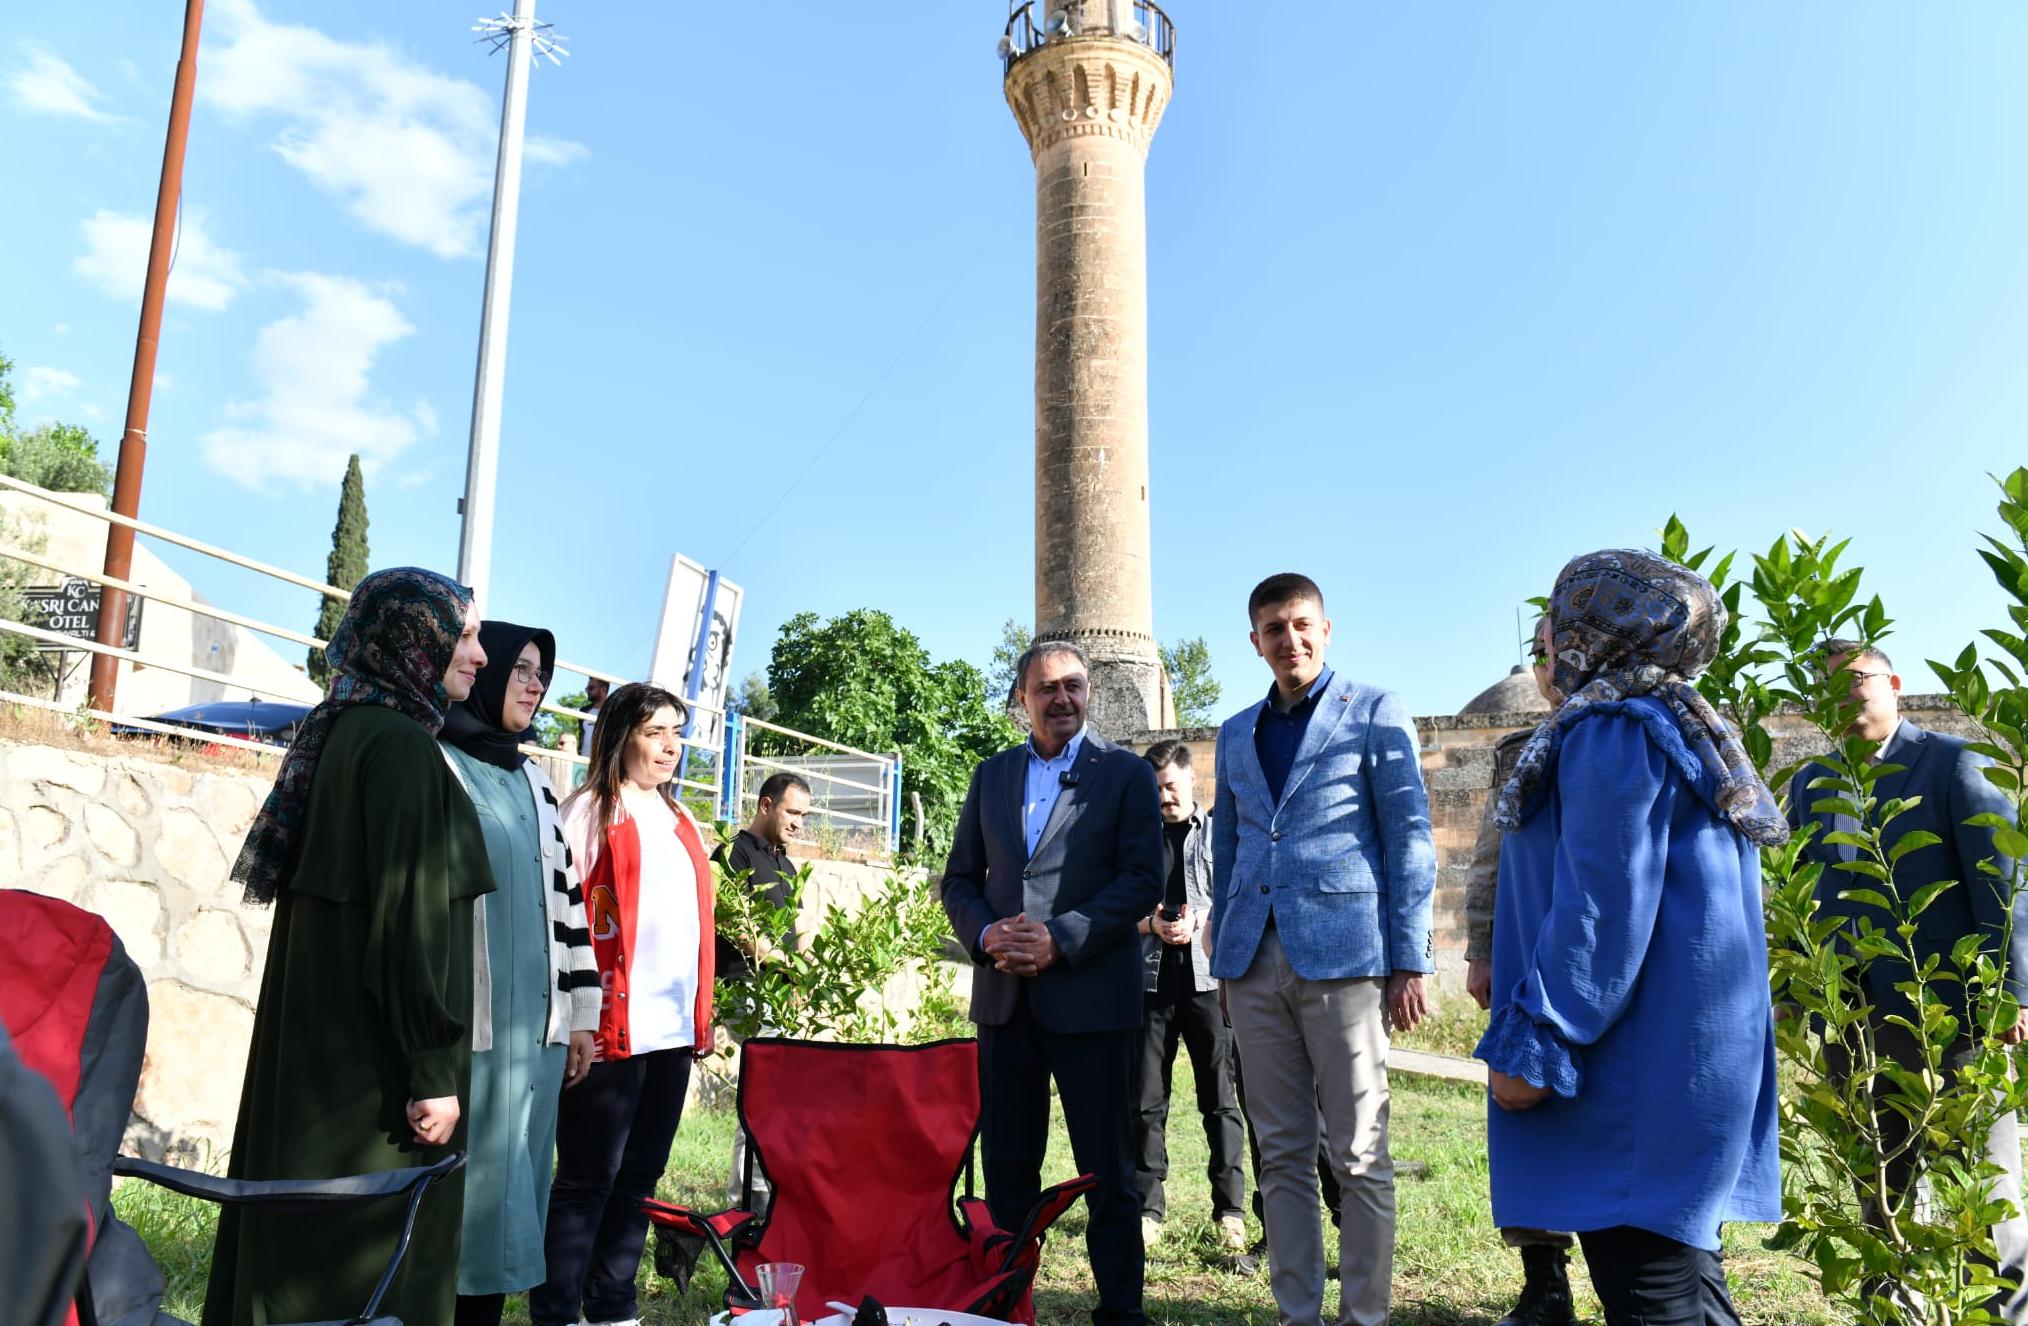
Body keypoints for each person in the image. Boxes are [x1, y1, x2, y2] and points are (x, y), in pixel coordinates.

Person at [1475, 549, 1785, 1326]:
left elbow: (1601, 912)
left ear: (1598, 634)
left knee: (1655, 1299)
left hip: (1628, 1078)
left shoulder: (1613, 730)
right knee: (1683, 1288)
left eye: (1560, 617)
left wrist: (1536, 1045)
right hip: (1669, 1064)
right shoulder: (1674, 723)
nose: (1544, 635)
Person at [204, 568, 493, 1326]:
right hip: (375, 1075)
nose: (480, 654)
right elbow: (409, 923)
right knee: (370, 1262)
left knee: (302, 1245)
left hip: (326, 1062)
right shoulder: (397, 749)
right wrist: (432, 1068)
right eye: (461, 634)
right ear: (412, 641)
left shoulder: (345, 730)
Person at [1208, 572, 1435, 1326]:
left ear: (1326, 629)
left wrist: (1411, 958)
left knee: (1361, 1152)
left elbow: (1408, 839)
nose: (1290, 640)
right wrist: (1223, 933)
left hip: (1346, 959)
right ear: (1255, 642)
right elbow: (1233, 838)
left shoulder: (1373, 711)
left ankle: (1364, 1316)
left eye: (1301, 625)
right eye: (1273, 629)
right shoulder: (1237, 731)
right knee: (1281, 1153)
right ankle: (1295, 1312)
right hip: (1252, 960)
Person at [1790, 639, 2028, 1321]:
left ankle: (2006, 1313)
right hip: (1851, 1019)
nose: (1844, 699)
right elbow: (1800, 894)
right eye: (1828, 690)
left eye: (1857, 681)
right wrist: (1793, 995)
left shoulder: (1955, 764)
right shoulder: (1811, 784)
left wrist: (2011, 991)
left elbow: (2002, 884)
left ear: (1893, 682)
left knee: (1982, 1180)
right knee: (1879, 1179)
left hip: (1948, 1014)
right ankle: (1894, 1309)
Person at [941, 640, 1163, 1326]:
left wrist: (1060, 937)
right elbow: (958, 879)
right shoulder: (992, 775)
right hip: (1006, 1003)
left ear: (1088, 691)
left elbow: (1141, 882)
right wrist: (986, 934)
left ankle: (1121, 1312)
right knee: (1008, 1168)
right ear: (1021, 700)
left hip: (1093, 1001)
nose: (1062, 697)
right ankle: (1007, 1306)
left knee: (1108, 1171)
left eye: (1073, 685)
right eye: (1046, 688)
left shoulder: (1125, 774)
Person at [532, 682, 717, 1326]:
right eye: (653, 732)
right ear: (619, 736)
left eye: (676, 732)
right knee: (587, 1178)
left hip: (670, 1029)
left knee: (639, 1177)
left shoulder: (681, 818)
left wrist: (701, 1010)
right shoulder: (589, 812)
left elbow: (694, 926)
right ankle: (557, 1310)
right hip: (609, 1025)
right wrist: (574, 1016)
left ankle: (612, 1304)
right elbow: (564, 915)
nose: (669, 746)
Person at [439, 621, 601, 1326]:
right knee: (462, 1211)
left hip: (534, 1043)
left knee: (512, 1212)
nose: (536, 686)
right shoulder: (436, 762)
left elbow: (568, 905)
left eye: (543, 675)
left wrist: (582, 1018)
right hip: (469, 1036)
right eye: (524, 670)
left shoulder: (534, 779)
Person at [1463, 619, 1575, 1326]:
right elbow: (1489, 857)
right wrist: (1480, 947)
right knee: (1525, 1116)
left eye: (1555, 648)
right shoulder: (1519, 754)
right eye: (1537, 654)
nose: (1545, 665)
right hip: (1526, 951)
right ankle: (1546, 1285)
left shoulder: (1657, 735)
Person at [1129, 741, 1245, 1253]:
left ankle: (1230, 1211)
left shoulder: (1222, 834)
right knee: (1146, 1104)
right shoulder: (1134, 839)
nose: (1164, 798)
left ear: (1192, 781)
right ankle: (1147, 1208)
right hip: (1150, 984)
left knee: (1220, 1102)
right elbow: (1111, 909)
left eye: (1171, 787)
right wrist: (1151, 922)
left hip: (1208, 984)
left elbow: (1238, 898)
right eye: (1155, 789)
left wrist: (1203, 918)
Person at [712, 770, 812, 1205]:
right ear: (766, 805)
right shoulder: (732, 854)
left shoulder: (787, 864)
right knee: (765, 1097)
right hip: (743, 989)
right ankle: (750, 1204)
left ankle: (764, 1197)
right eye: (792, 812)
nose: (799, 823)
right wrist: (788, 964)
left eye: (805, 815)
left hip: (778, 993)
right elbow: (735, 926)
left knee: (780, 1096)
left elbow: (798, 928)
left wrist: (804, 976)